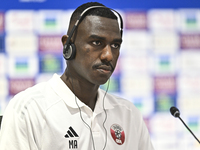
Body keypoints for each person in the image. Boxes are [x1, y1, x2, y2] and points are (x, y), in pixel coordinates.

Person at [0, 2, 154, 150]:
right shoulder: (29, 109)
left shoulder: (128, 114)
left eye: (115, 45)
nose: (108, 55)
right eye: (96, 42)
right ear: (68, 45)